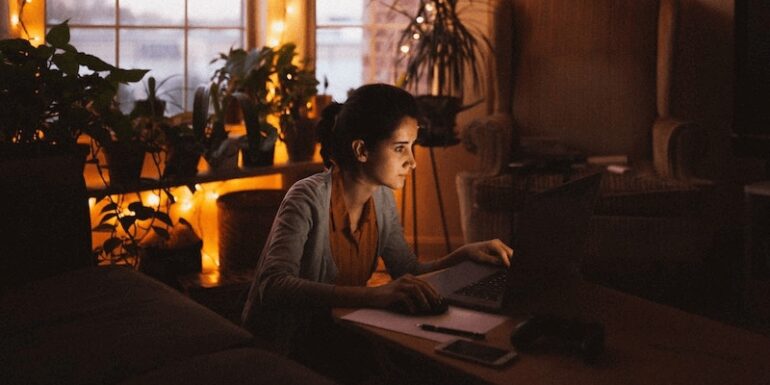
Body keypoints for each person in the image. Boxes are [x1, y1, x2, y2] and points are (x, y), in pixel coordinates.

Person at [241, 83, 512, 382]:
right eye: (400, 148)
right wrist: (372, 296)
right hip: (289, 346)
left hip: (336, 333)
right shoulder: (306, 197)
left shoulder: (381, 199)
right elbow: (273, 285)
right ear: (361, 150)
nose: (412, 161)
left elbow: (408, 271)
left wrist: (463, 255)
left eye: (412, 147)